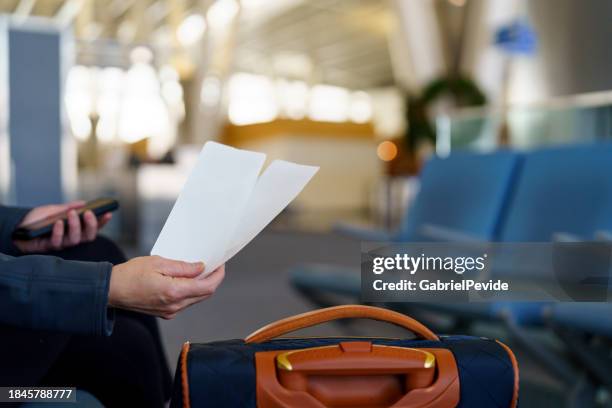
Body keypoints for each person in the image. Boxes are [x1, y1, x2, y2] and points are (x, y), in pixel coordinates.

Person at [0, 201, 225, 407]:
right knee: (129, 346)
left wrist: (14, 225)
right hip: (7, 391)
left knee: (100, 250)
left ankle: (166, 398)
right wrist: (105, 287)